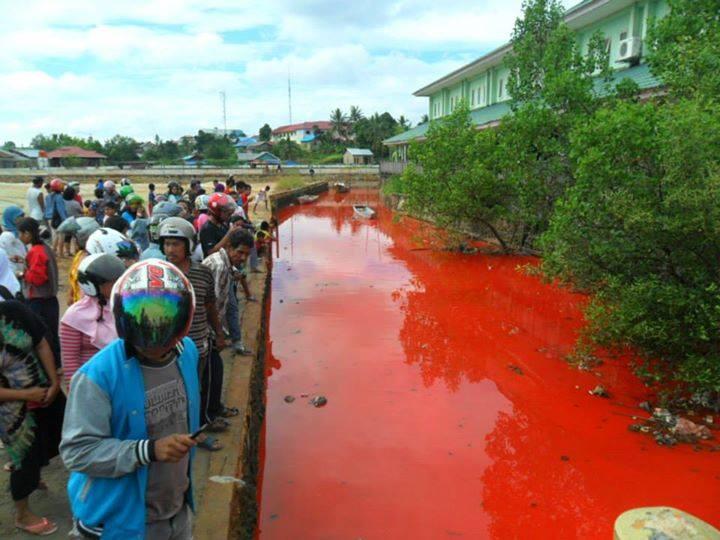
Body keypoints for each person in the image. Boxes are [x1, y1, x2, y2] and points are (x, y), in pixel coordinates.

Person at [60, 259, 200, 539]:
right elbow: (76, 451)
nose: (155, 340)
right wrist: (148, 450)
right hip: (119, 521)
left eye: (165, 323)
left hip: (175, 511)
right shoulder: (97, 376)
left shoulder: (188, 353)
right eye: (142, 319)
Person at [159, 218, 226, 449]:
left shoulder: (203, 273)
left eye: (176, 244)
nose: (170, 250)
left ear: (188, 245)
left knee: (194, 391)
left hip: (197, 345)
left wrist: (219, 332)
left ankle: (195, 432)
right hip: (166, 349)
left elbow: (210, 306)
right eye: (167, 244)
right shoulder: (159, 274)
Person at [0, 300, 65, 536]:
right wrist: (25, 394)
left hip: (44, 390)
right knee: (24, 456)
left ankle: (34, 474)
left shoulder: (12, 310)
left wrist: (54, 381)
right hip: (11, 410)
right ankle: (22, 514)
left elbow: (41, 343)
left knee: (61, 433)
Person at [60, 254, 125, 386]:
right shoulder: (74, 316)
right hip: (92, 383)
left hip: (122, 379)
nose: (119, 284)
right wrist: (75, 391)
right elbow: (70, 360)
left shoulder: (124, 306)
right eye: (113, 281)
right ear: (93, 285)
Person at [203, 228, 254, 357]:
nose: (243, 258)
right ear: (229, 247)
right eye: (240, 252)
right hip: (205, 329)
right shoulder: (220, 267)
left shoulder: (225, 262)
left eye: (247, 254)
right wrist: (219, 334)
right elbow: (212, 306)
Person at [17, 217, 61, 369]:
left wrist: (22, 274)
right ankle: (57, 364)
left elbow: (37, 278)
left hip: (39, 300)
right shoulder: (44, 248)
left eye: (20, 234)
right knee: (52, 333)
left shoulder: (35, 251)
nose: (19, 237)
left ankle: (49, 366)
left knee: (41, 336)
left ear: (28, 234)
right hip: (50, 299)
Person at [67, 217, 101, 305]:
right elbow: (74, 277)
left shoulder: (95, 259)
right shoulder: (80, 254)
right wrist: (71, 294)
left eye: (75, 237)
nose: (73, 240)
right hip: (77, 303)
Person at [0, 205, 28, 277]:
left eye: (22, 216)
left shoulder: (18, 233)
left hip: (21, 272)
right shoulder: (7, 236)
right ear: (11, 218)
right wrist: (16, 273)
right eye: (19, 217)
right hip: (14, 274)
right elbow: (5, 257)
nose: (22, 219)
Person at [44, 178, 67, 256]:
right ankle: (60, 253)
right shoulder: (59, 197)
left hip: (49, 218)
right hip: (57, 218)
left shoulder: (48, 196)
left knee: (54, 235)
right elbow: (61, 210)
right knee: (61, 235)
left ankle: (53, 251)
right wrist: (65, 220)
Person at [62, 187, 84, 258]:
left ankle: (67, 252)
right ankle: (76, 251)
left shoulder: (62, 202)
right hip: (75, 221)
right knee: (76, 237)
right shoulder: (75, 203)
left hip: (66, 221)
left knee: (67, 238)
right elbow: (81, 211)